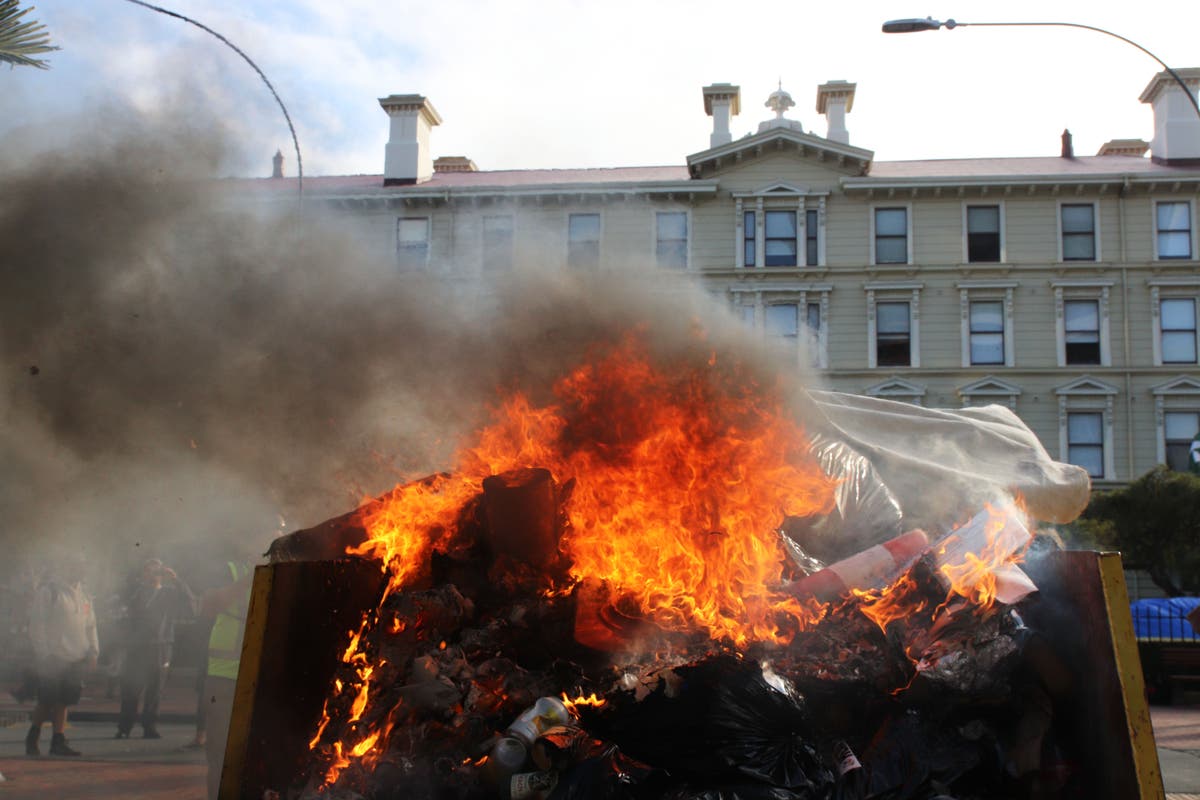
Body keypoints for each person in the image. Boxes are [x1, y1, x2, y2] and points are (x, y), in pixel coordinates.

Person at [25, 555, 99, 757]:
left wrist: (93, 650)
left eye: (83, 568)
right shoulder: (50, 591)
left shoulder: (84, 595)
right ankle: (33, 736)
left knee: (65, 700)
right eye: (77, 567)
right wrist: (44, 653)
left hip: (76, 656)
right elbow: (37, 624)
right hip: (53, 657)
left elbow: (91, 625)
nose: (81, 572)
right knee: (47, 700)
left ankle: (58, 740)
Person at [115, 558, 197, 739]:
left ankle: (149, 726)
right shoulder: (136, 592)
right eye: (149, 570)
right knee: (131, 687)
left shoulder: (169, 593)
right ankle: (125, 726)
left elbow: (191, 605)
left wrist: (177, 580)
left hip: (161, 646)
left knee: (155, 688)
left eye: (157, 571)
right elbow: (124, 609)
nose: (153, 575)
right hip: (137, 646)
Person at [203, 558, 254, 800]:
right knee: (221, 752)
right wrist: (248, 580)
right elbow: (208, 606)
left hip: (261, 676)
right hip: (224, 676)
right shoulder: (228, 568)